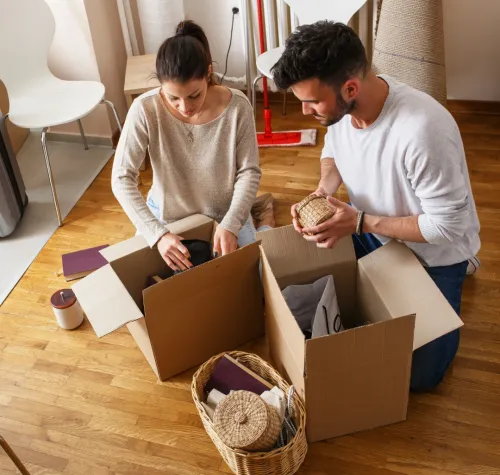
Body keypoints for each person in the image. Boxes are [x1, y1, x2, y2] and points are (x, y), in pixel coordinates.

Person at [271, 21, 481, 392]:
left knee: (419, 378)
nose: (305, 111)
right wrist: (323, 192)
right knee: (290, 271)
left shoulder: (423, 131)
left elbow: (447, 228)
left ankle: (466, 266)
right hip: (369, 229)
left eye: (311, 101)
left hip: (432, 254)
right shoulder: (338, 110)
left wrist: (361, 222)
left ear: (350, 87)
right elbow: (332, 153)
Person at [112, 20, 274, 272]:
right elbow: (121, 178)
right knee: (145, 287)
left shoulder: (238, 106)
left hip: (224, 214)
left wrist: (231, 223)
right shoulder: (144, 109)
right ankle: (257, 212)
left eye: (194, 95)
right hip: (166, 215)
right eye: (172, 97)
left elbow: (249, 172)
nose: (185, 107)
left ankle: (264, 219)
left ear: (208, 73)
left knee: (258, 283)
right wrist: (158, 234)